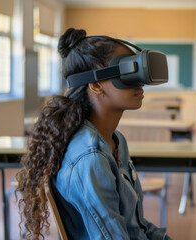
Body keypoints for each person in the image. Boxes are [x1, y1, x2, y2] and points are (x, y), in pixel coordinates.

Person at [16, 28, 171, 240]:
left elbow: (137, 227)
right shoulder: (90, 157)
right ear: (96, 85)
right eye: (128, 70)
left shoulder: (116, 141)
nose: (140, 81)